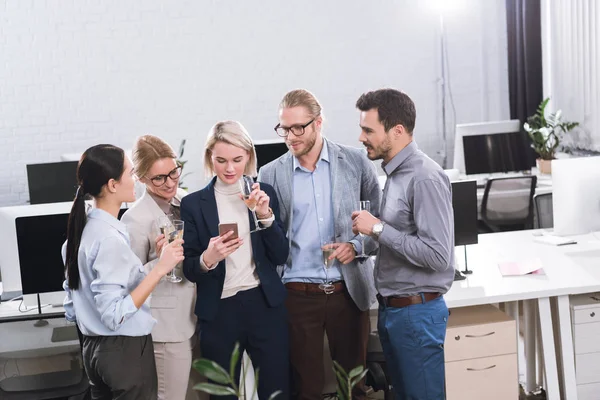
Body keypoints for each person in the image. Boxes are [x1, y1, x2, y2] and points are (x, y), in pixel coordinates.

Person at [258, 89, 381, 400]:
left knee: (353, 388)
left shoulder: (356, 162)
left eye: (299, 127)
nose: (290, 136)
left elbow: (379, 226)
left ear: (318, 123)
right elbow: (269, 240)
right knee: (305, 389)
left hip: (348, 292)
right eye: (284, 128)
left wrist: (355, 246)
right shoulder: (270, 173)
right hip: (297, 296)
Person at [352, 88, 455, 399]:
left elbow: (438, 256)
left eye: (368, 130)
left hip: (416, 315)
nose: (361, 137)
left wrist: (379, 228)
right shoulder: (395, 175)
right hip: (394, 312)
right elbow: (396, 240)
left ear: (397, 130)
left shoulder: (424, 177)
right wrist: (359, 245)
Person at [62, 144, 184, 399]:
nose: (135, 180)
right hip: (124, 353)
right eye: (130, 173)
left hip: (93, 352)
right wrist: (160, 269)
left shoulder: (80, 233)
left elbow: (72, 308)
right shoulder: (110, 239)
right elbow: (114, 315)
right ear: (112, 185)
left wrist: (156, 262)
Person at [181, 121, 290, 400]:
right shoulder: (193, 204)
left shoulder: (263, 193)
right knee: (223, 394)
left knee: (276, 391)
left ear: (249, 157)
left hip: (264, 304)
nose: (229, 168)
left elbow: (281, 255)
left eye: (237, 160)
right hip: (219, 311)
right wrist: (209, 258)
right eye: (221, 160)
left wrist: (266, 217)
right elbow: (190, 268)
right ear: (210, 159)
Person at [120, 135, 198, 400]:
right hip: (167, 326)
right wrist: (161, 259)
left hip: (199, 317)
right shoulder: (134, 219)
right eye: (159, 178)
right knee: (171, 396)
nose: (170, 183)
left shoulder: (187, 201)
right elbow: (131, 283)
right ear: (141, 178)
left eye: (173, 172)